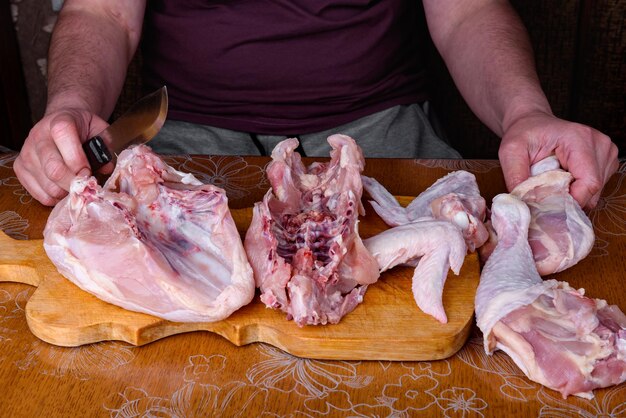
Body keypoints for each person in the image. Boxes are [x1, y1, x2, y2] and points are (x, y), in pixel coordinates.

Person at [14, 0, 618, 209]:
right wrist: (70, 107)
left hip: (382, 125)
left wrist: (525, 113)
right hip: (190, 132)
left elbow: (465, 12)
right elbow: (104, 13)